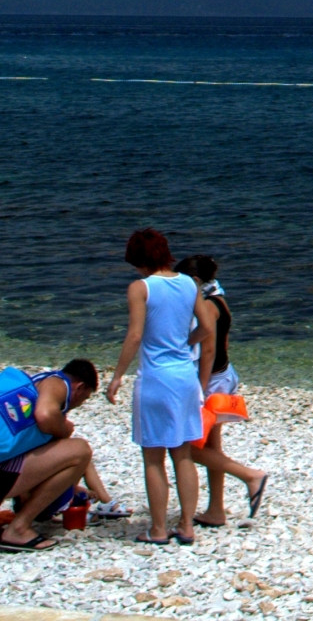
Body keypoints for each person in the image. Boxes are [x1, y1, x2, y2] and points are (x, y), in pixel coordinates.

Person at [106, 228, 215, 545]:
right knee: (182, 453)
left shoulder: (140, 288)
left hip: (155, 378)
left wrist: (117, 376)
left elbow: (135, 336)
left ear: (139, 261)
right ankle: (186, 526)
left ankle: (157, 529)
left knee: (153, 457)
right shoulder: (189, 283)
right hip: (184, 376)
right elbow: (206, 327)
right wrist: (185, 342)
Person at [177, 255, 267, 524]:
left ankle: (250, 475)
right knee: (212, 446)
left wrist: (199, 391)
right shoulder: (219, 299)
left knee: (183, 447)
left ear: (194, 281)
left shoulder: (207, 306)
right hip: (223, 376)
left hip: (211, 380)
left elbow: (208, 350)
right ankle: (215, 509)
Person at [0, 359, 97, 551]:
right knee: (80, 450)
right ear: (79, 387)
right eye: (84, 399)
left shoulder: (33, 386)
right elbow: (44, 415)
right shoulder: (57, 383)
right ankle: (18, 529)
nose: (79, 405)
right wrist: (63, 429)